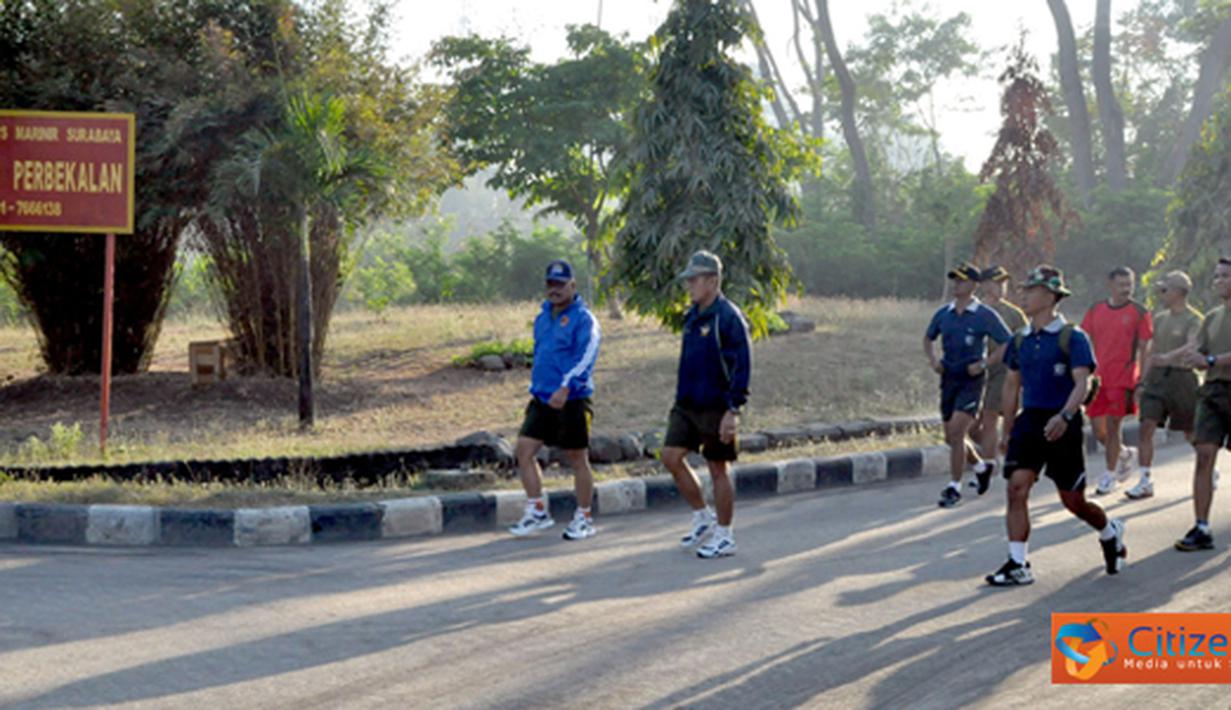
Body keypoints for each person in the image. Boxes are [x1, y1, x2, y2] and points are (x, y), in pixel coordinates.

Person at [986, 265, 1126, 586]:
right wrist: (1008, 430)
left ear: (1050, 296)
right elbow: (1011, 385)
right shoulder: (1020, 340)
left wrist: (1064, 416)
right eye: (1024, 289)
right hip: (1030, 421)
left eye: (1031, 290)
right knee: (1016, 487)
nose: (1024, 295)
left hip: (1063, 421)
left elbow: (1082, 383)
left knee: (1073, 501)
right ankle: (1018, 563)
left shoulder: (1072, 337)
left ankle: (1109, 532)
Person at [661, 250, 752, 559]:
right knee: (670, 457)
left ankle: (725, 535)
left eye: (695, 279)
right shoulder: (692, 316)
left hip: (717, 406)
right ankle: (703, 516)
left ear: (712, 281)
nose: (689, 285)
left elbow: (742, 366)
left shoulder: (728, 317)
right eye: (688, 280)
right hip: (687, 404)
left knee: (717, 468)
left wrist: (733, 410)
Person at [508, 260, 603, 540]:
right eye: (551, 284)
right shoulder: (542, 318)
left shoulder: (584, 319)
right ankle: (537, 510)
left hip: (572, 398)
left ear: (573, 285)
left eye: (561, 284)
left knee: (577, 458)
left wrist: (566, 386)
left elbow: (587, 356)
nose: (555, 289)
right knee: (524, 451)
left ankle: (584, 516)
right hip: (542, 397)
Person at [924, 261, 1012, 508]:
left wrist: (985, 363)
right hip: (949, 377)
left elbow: (1006, 342)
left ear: (974, 285)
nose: (957, 284)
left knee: (957, 431)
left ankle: (954, 487)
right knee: (950, 437)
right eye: (955, 280)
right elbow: (928, 338)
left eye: (962, 280)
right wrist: (933, 360)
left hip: (971, 379)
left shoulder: (984, 314)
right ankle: (981, 467)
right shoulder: (945, 313)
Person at [1125, 270, 1203, 500]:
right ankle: (1145, 480)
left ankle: (1207, 467)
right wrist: (1141, 381)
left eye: (1165, 289)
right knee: (1146, 426)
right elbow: (1151, 351)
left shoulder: (1194, 319)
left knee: (1189, 431)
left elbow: (1192, 345)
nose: (1161, 293)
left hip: (1182, 378)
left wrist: (1169, 357)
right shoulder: (1158, 318)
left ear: (1178, 292)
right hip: (1157, 379)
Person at [1081, 266, 1153, 496]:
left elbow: (1145, 349)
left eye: (1129, 284)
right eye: (1121, 284)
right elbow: (1083, 339)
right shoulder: (1096, 310)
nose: (1126, 289)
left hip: (1123, 378)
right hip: (1098, 380)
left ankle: (1110, 475)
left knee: (1114, 426)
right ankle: (1123, 454)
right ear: (1110, 284)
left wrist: (1141, 380)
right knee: (1098, 430)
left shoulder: (1139, 312)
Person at [1175, 257, 1231, 551]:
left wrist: (1209, 360)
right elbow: (1201, 352)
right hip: (1212, 391)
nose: (1218, 281)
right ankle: (1201, 527)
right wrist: (1192, 357)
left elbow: (1210, 358)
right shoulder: (1212, 317)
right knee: (1204, 454)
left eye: (1225, 276)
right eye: (1217, 276)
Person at [971, 265, 1028, 491]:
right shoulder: (975, 310)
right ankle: (995, 455)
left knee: (991, 418)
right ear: (984, 285)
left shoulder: (1013, 313)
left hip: (1004, 370)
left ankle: (989, 467)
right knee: (971, 425)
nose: (1001, 287)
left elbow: (1024, 341)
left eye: (1003, 283)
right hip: (976, 372)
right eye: (996, 282)